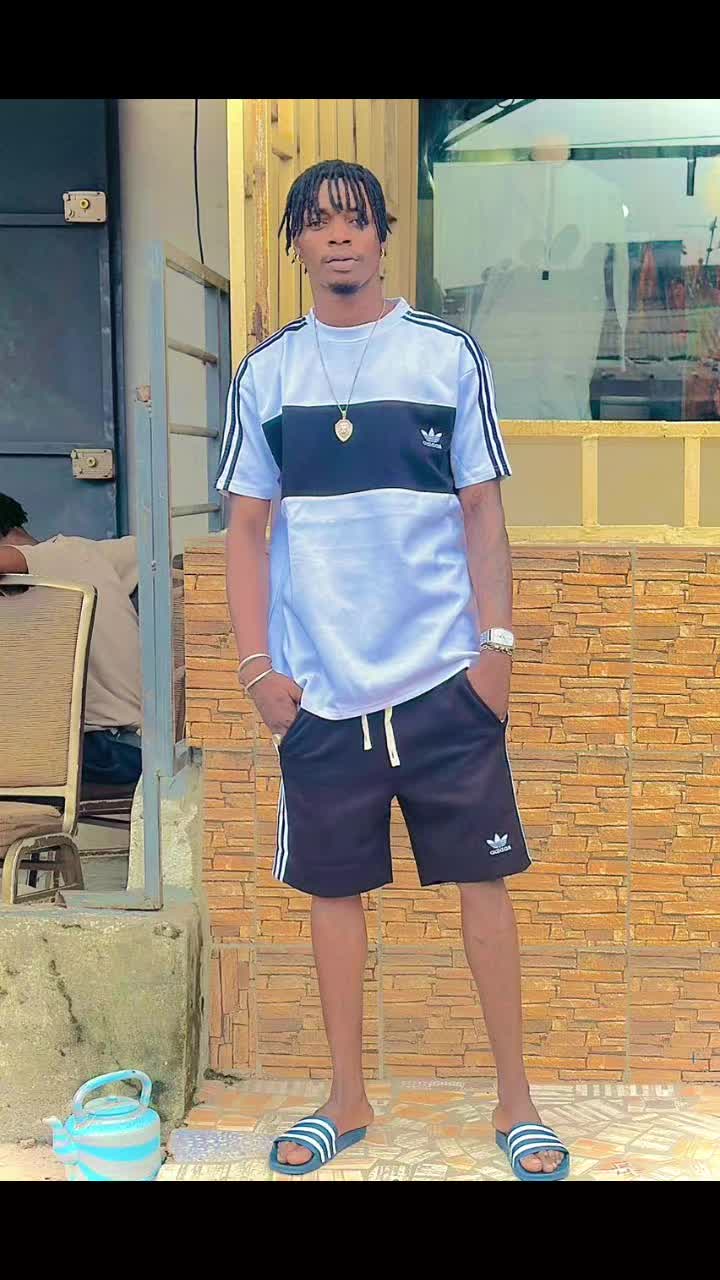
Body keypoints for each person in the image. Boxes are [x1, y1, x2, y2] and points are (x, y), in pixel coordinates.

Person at [218, 160, 569, 1182]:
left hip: (444, 682)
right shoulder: (268, 375)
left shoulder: (445, 355)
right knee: (333, 897)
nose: (339, 237)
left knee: (484, 887)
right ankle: (347, 1098)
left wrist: (496, 652)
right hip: (322, 695)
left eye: (356, 220)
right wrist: (256, 667)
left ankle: (517, 1102)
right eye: (318, 222)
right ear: (295, 242)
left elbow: (482, 510)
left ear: (383, 237)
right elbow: (245, 530)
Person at [0, 494, 142, 788]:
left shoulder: (46, 558)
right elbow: (148, 550)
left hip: (108, 748)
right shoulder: (87, 553)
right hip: (135, 745)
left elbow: (10, 560)